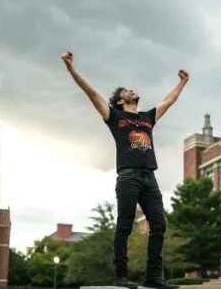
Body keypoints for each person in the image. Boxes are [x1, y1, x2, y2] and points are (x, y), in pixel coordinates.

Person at [61, 51, 189, 289]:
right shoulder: (114, 116)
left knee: (159, 225)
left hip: (150, 177)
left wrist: (182, 82)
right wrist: (71, 69)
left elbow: (169, 101)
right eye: (126, 91)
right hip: (128, 177)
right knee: (125, 225)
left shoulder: (147, 117)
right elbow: (91, 93)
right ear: (121, 101)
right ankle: (121, 275)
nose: (132, 91)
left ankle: (154, 276)